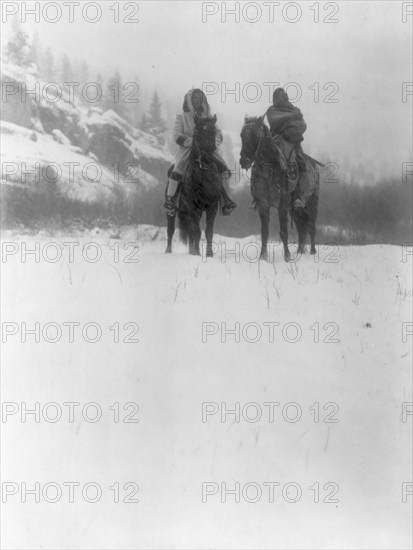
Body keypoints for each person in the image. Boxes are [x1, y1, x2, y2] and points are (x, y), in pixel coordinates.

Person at [164, 88, 236, 216]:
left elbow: (218, 133)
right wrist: (193, 142)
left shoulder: (207, 117)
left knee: (224, 170)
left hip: (208, 150)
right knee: (177, 170)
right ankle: (171, 200)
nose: (198, 100)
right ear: (189, 101)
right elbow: (176, 136)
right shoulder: (182, 117)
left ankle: (226, 201)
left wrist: (214, 143)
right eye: (195, 98)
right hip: (188, 151)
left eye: (200, 98)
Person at [266, 88, 309, 209]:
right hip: (276, 141)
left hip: (293, 141)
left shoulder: (296, 110)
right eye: (278, 97)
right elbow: (274, 122)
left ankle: (299, 196)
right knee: (262, 163)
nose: (280, 99)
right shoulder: (272, 111)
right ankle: (259, 195)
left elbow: (303, 126)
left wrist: (292, 130)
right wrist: (292, 119)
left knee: (301, 164)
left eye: (282, 96)